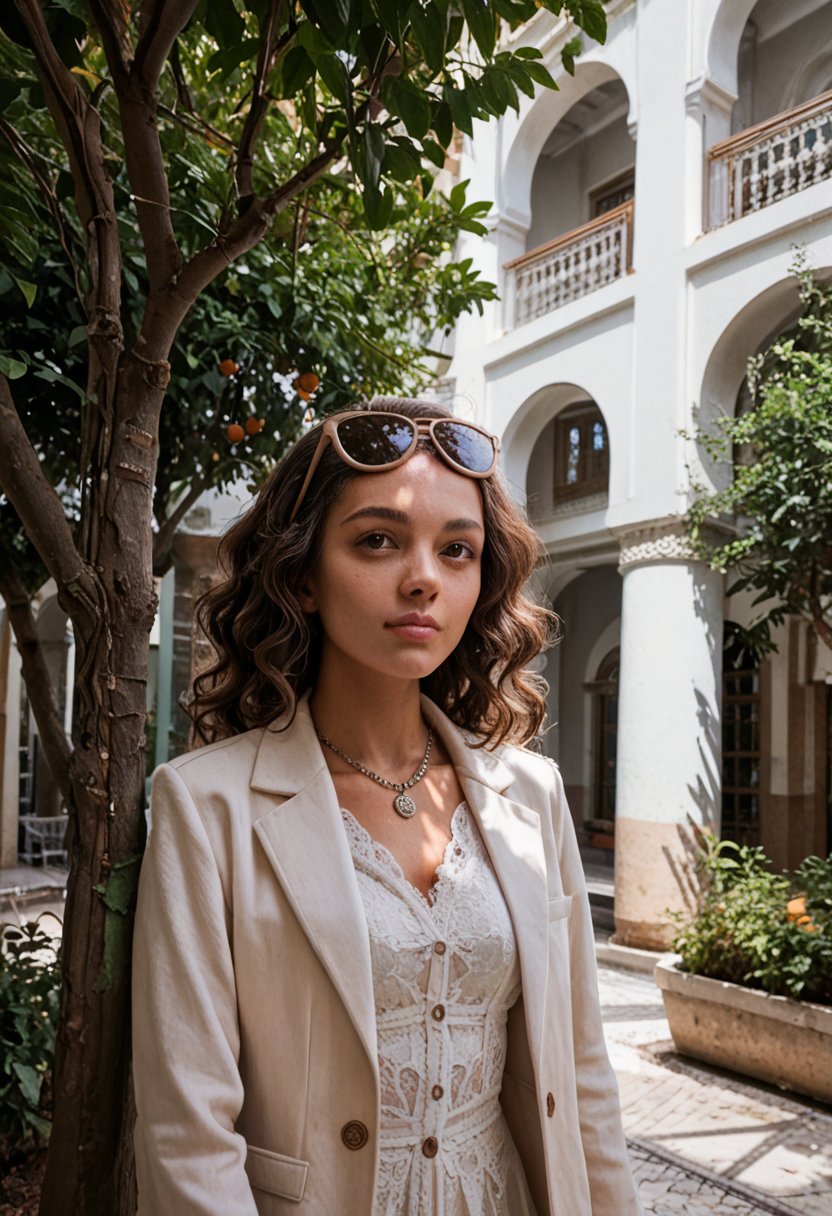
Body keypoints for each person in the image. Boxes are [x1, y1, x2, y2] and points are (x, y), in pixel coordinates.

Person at [131, 397, 642, 1216]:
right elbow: (186, 1132)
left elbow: (582, 1077)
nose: (422, 579)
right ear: (302, 574)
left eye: (458, 550)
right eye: (378, 540)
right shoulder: (205, 807)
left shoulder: (530, 796)